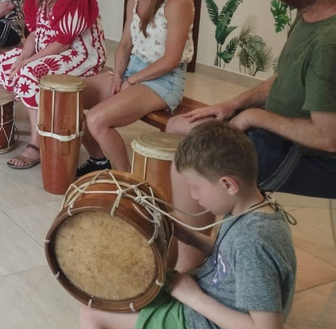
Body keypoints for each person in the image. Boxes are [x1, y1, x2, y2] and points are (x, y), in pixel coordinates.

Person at [166, 0, 336, 269]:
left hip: (311, 156)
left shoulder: (330, 42)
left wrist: (252, 118)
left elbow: (327, 137)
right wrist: (233, 105)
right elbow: (284, 78)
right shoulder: (309, 17)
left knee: (190, 163)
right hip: (281, 136)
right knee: (178, 126)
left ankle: (188, 270)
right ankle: (189, 242)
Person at [78, 121, 296, 329]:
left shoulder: (253, 241)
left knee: (91, 314)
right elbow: (229, 257)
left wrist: (193, 298)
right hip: (204, 300)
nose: (193, 195)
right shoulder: (253, 209)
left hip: (202, 320)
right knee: (125, 285)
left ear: (228, 184)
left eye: (196, 187)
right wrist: (190, 236)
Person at [77, 0, 194, 174]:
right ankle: (99, 159)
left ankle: (126, 182)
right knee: (69, 99)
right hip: (132, 71)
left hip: (163, 81)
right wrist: (118, 75)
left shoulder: (178, 2)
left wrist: (133, 80)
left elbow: (171, 59)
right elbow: (124, 44)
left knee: (97, 119)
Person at [0, 0, 106, 168]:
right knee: (2, 63)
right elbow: (34, 35)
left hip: (79, 54)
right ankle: (5, 126)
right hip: (48, 50)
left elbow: (63, 43)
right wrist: (22, 58)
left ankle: (36, 145)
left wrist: (29, 62)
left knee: (31, 73)